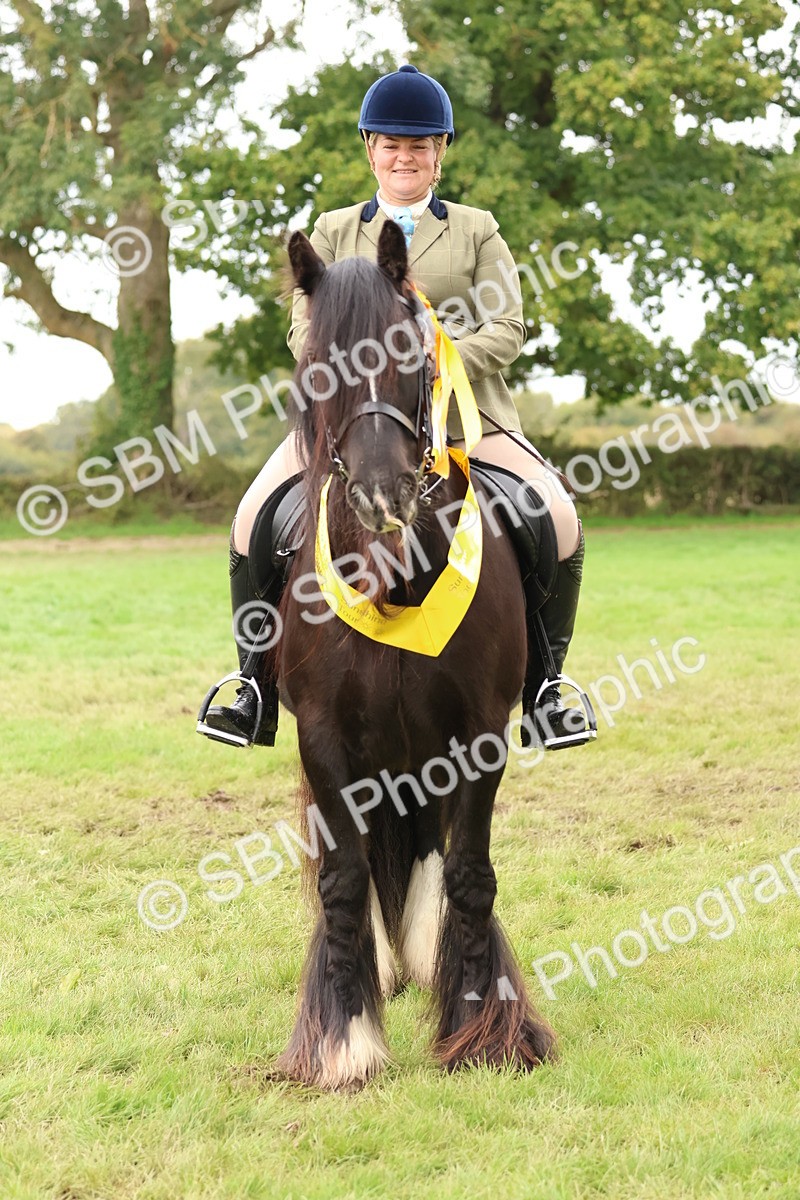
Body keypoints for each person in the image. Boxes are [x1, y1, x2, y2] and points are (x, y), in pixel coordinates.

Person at [198, 64, 590, 751]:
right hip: (349, 420)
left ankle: (546, 689)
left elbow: (508, 327)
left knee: (553, 514)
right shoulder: (332, 229)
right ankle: (253, 686)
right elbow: (303, 327)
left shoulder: (476, 231)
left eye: (419, 146)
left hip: (468, 419)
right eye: (390, 144)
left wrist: (435, 363)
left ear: (440, 153)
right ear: (370, 150)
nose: (404, 157)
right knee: (250, 520)